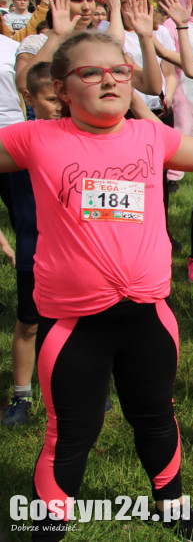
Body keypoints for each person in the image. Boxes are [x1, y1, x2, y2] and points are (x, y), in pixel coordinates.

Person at [0, 28, 193, 540]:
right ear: (63, 89)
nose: (109, 80)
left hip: (147, 317)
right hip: (74, 324)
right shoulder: (35, 138)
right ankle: (51, 519)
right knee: (70, 430)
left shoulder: (149, 135)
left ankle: (172, 506)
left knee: (156, 416)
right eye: (91, 72)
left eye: (119, 70)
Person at [1, 62, 57, 428]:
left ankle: (87, 391)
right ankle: (21, 395)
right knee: (29, 325)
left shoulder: (83, 137)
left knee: (78, 327)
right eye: (51, 99)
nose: (59, 106)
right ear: (29, 98)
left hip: (75, 255)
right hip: (32, 253)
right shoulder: (17, 142)